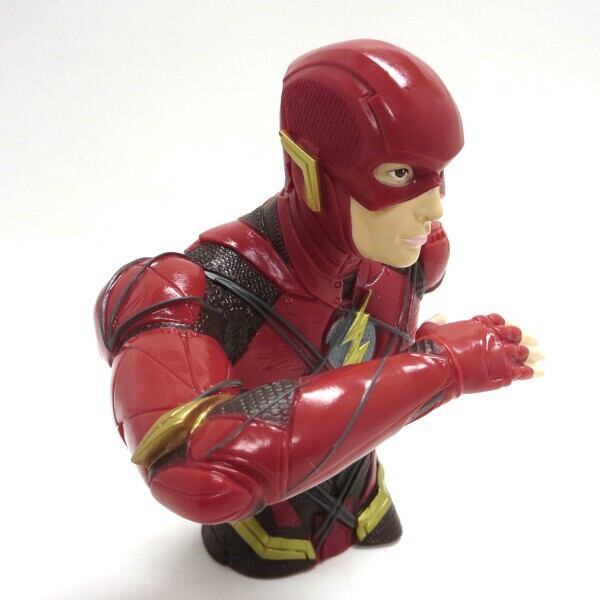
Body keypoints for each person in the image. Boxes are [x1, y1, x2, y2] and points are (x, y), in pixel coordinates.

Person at [95, 39, 541, 578]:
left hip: (367, 503)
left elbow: (362, 370)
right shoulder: (198, 288)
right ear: (305, 168)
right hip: (258, 537)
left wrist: (415, 361)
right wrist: (437, 369)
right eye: (399, 175)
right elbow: (197, 472)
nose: (433, 207)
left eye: (437, 174)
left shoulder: (410, 255)